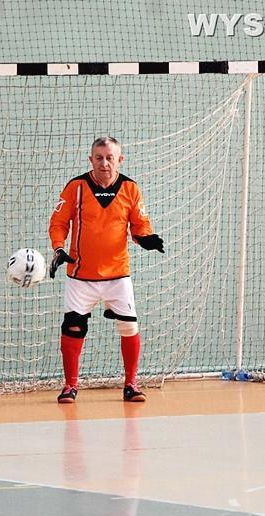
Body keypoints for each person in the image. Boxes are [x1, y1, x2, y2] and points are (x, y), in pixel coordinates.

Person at [47, 136, 164, 404]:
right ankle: (70, 386)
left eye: (110, 158)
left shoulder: (130, 188)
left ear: (119, 160)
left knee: (129, 327)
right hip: (81, 275)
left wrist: (145, 238)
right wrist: (58, 248)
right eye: (99, 158)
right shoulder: (76, 187)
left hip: (117, 274)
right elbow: (58, 222)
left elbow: (139, 225)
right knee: (73, 328)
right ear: (91, 160)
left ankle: (131, 385)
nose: (104, 163)